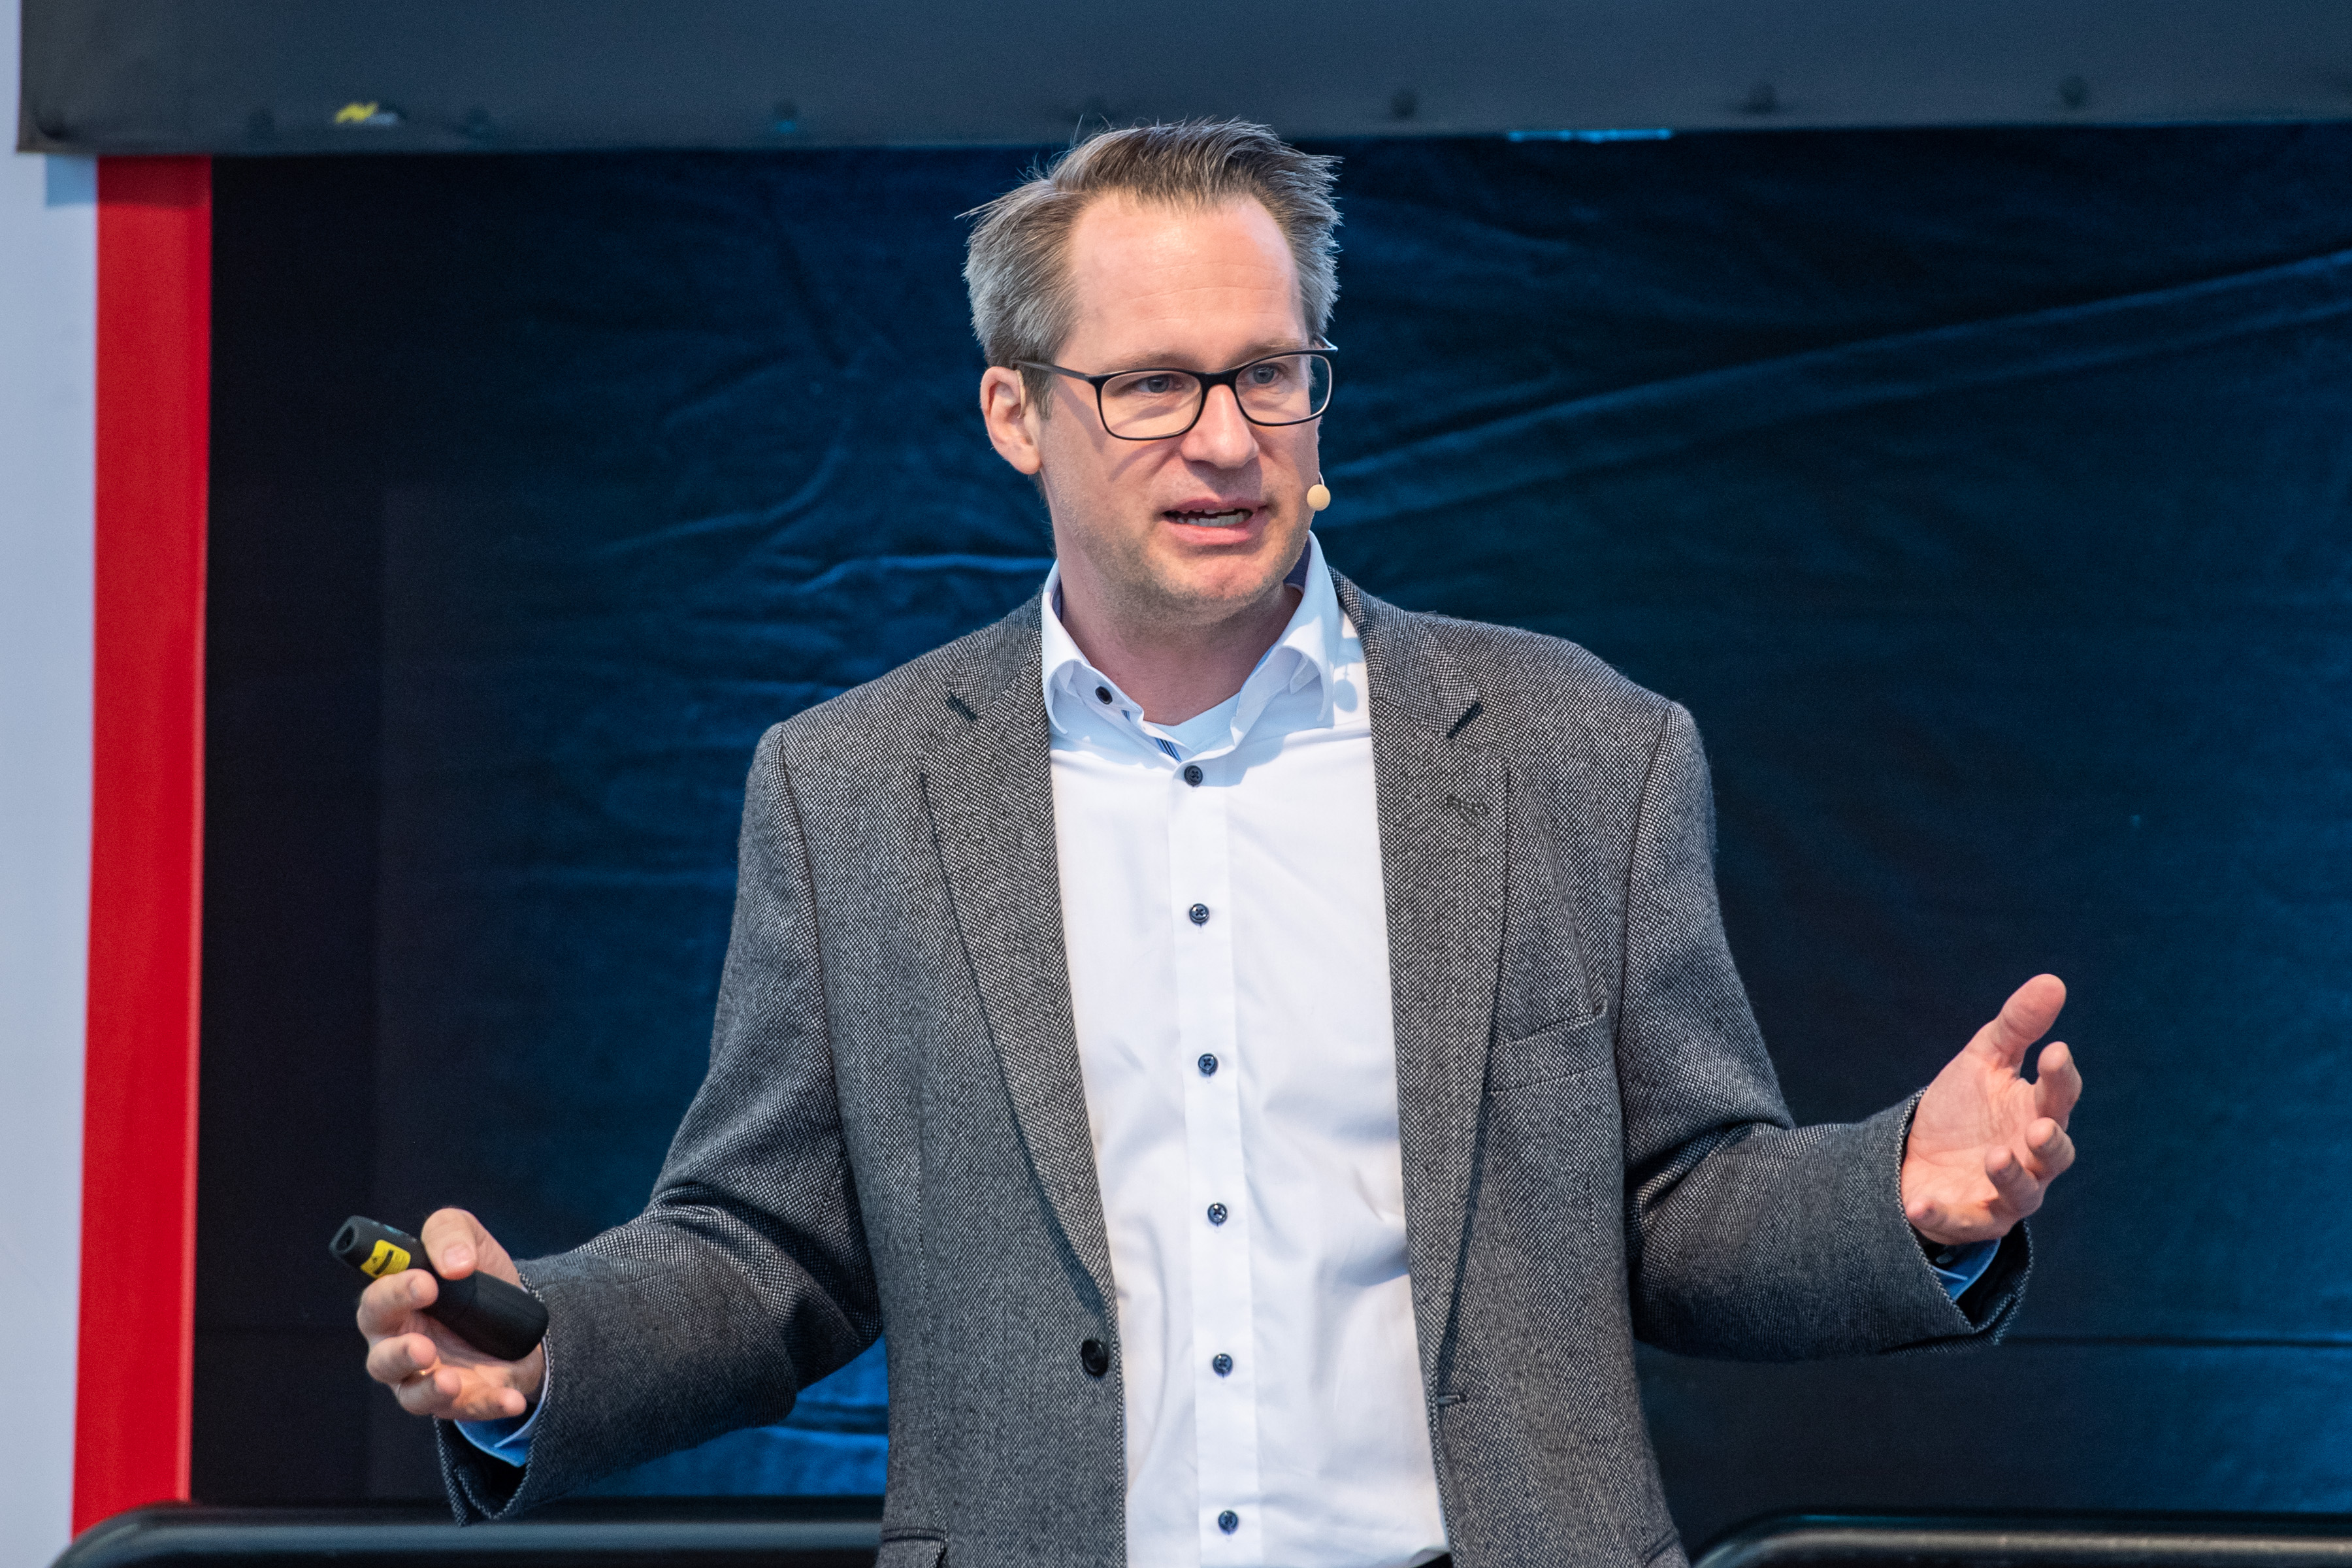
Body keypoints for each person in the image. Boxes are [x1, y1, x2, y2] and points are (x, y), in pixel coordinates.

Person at [357, 121, 2082, 1568]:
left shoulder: (1577, 750)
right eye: (1153, 385)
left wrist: (1897, 1205)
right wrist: (543, 1356)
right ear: (1016, 414)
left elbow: (1682, 1205)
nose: (1228, 438)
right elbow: (767, 1254)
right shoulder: (856, 789)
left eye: (1269, 373)